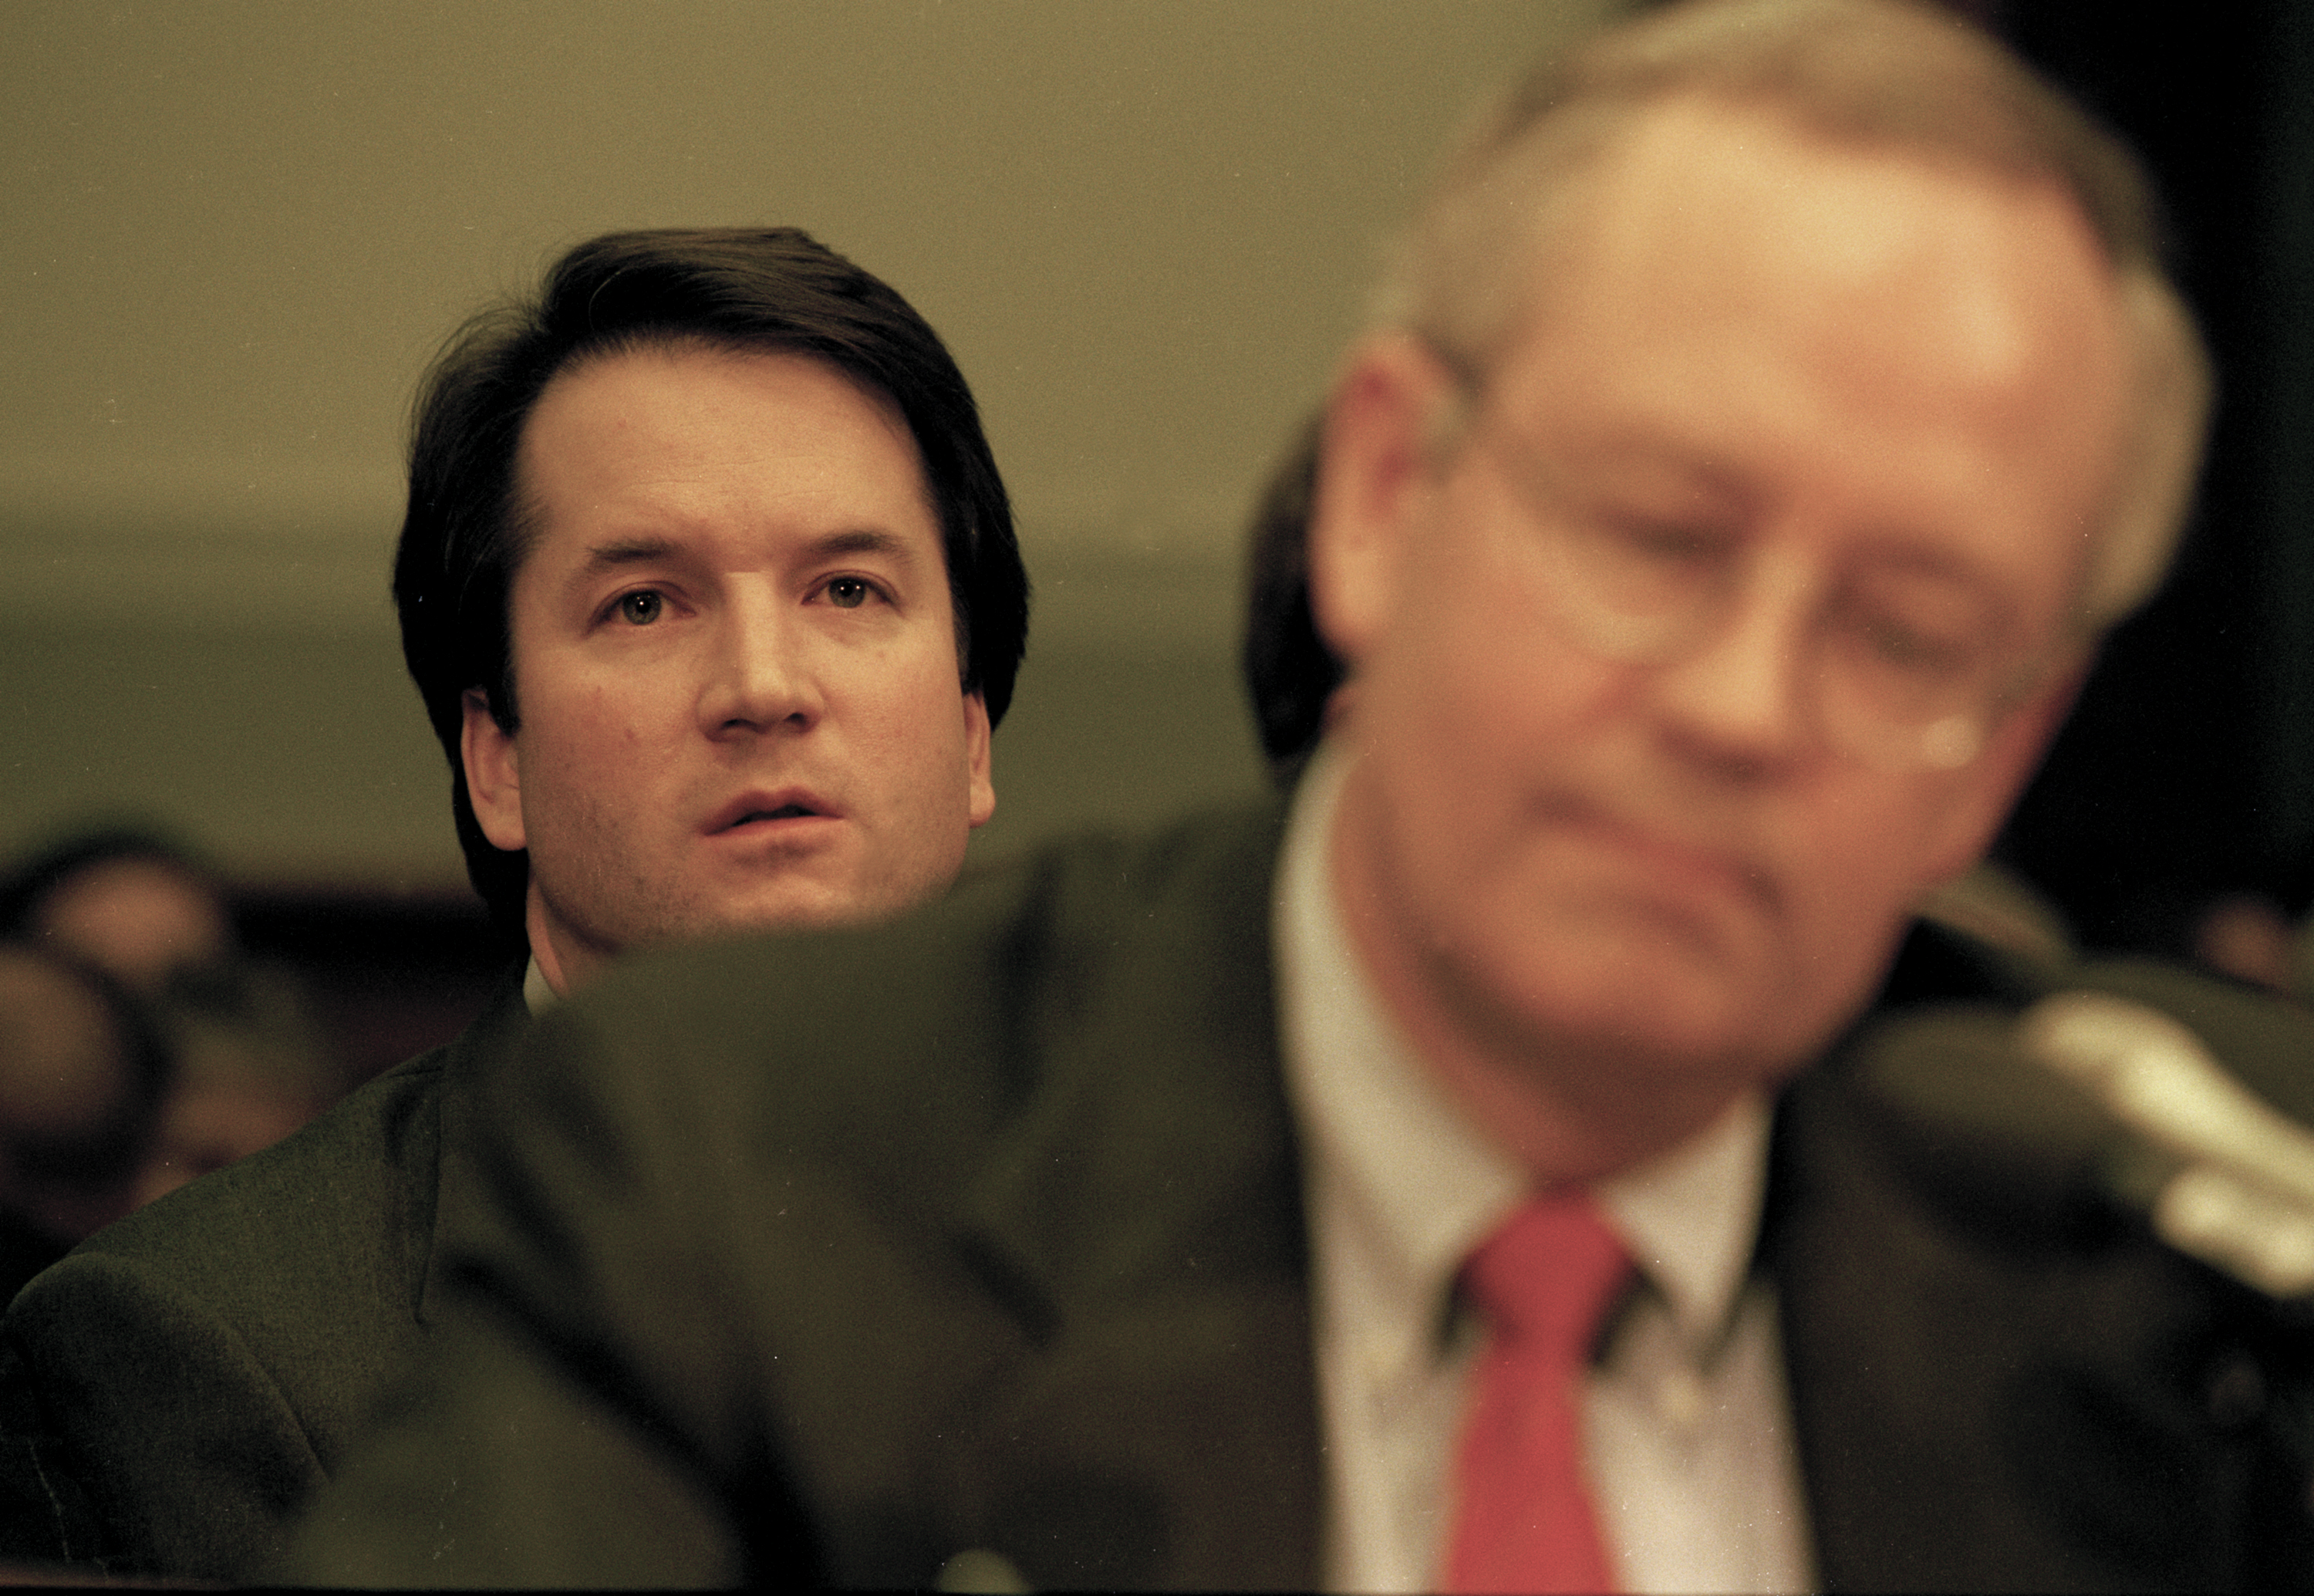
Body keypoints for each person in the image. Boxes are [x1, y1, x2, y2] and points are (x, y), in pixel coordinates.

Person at [288, 4, 2313, 1588]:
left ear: (2010, 753)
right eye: (1658, 536)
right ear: (1382, 500)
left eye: (1907, 632)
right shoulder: (749, 1185)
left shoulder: (2190, 1266)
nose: (1744, 706)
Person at [0, 226, 1029, 1581]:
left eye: (849, 588)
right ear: (497, 761)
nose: (767, 685)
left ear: (969, 735)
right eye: (647, 604)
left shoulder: (1202, 1241)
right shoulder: (203, 1352)